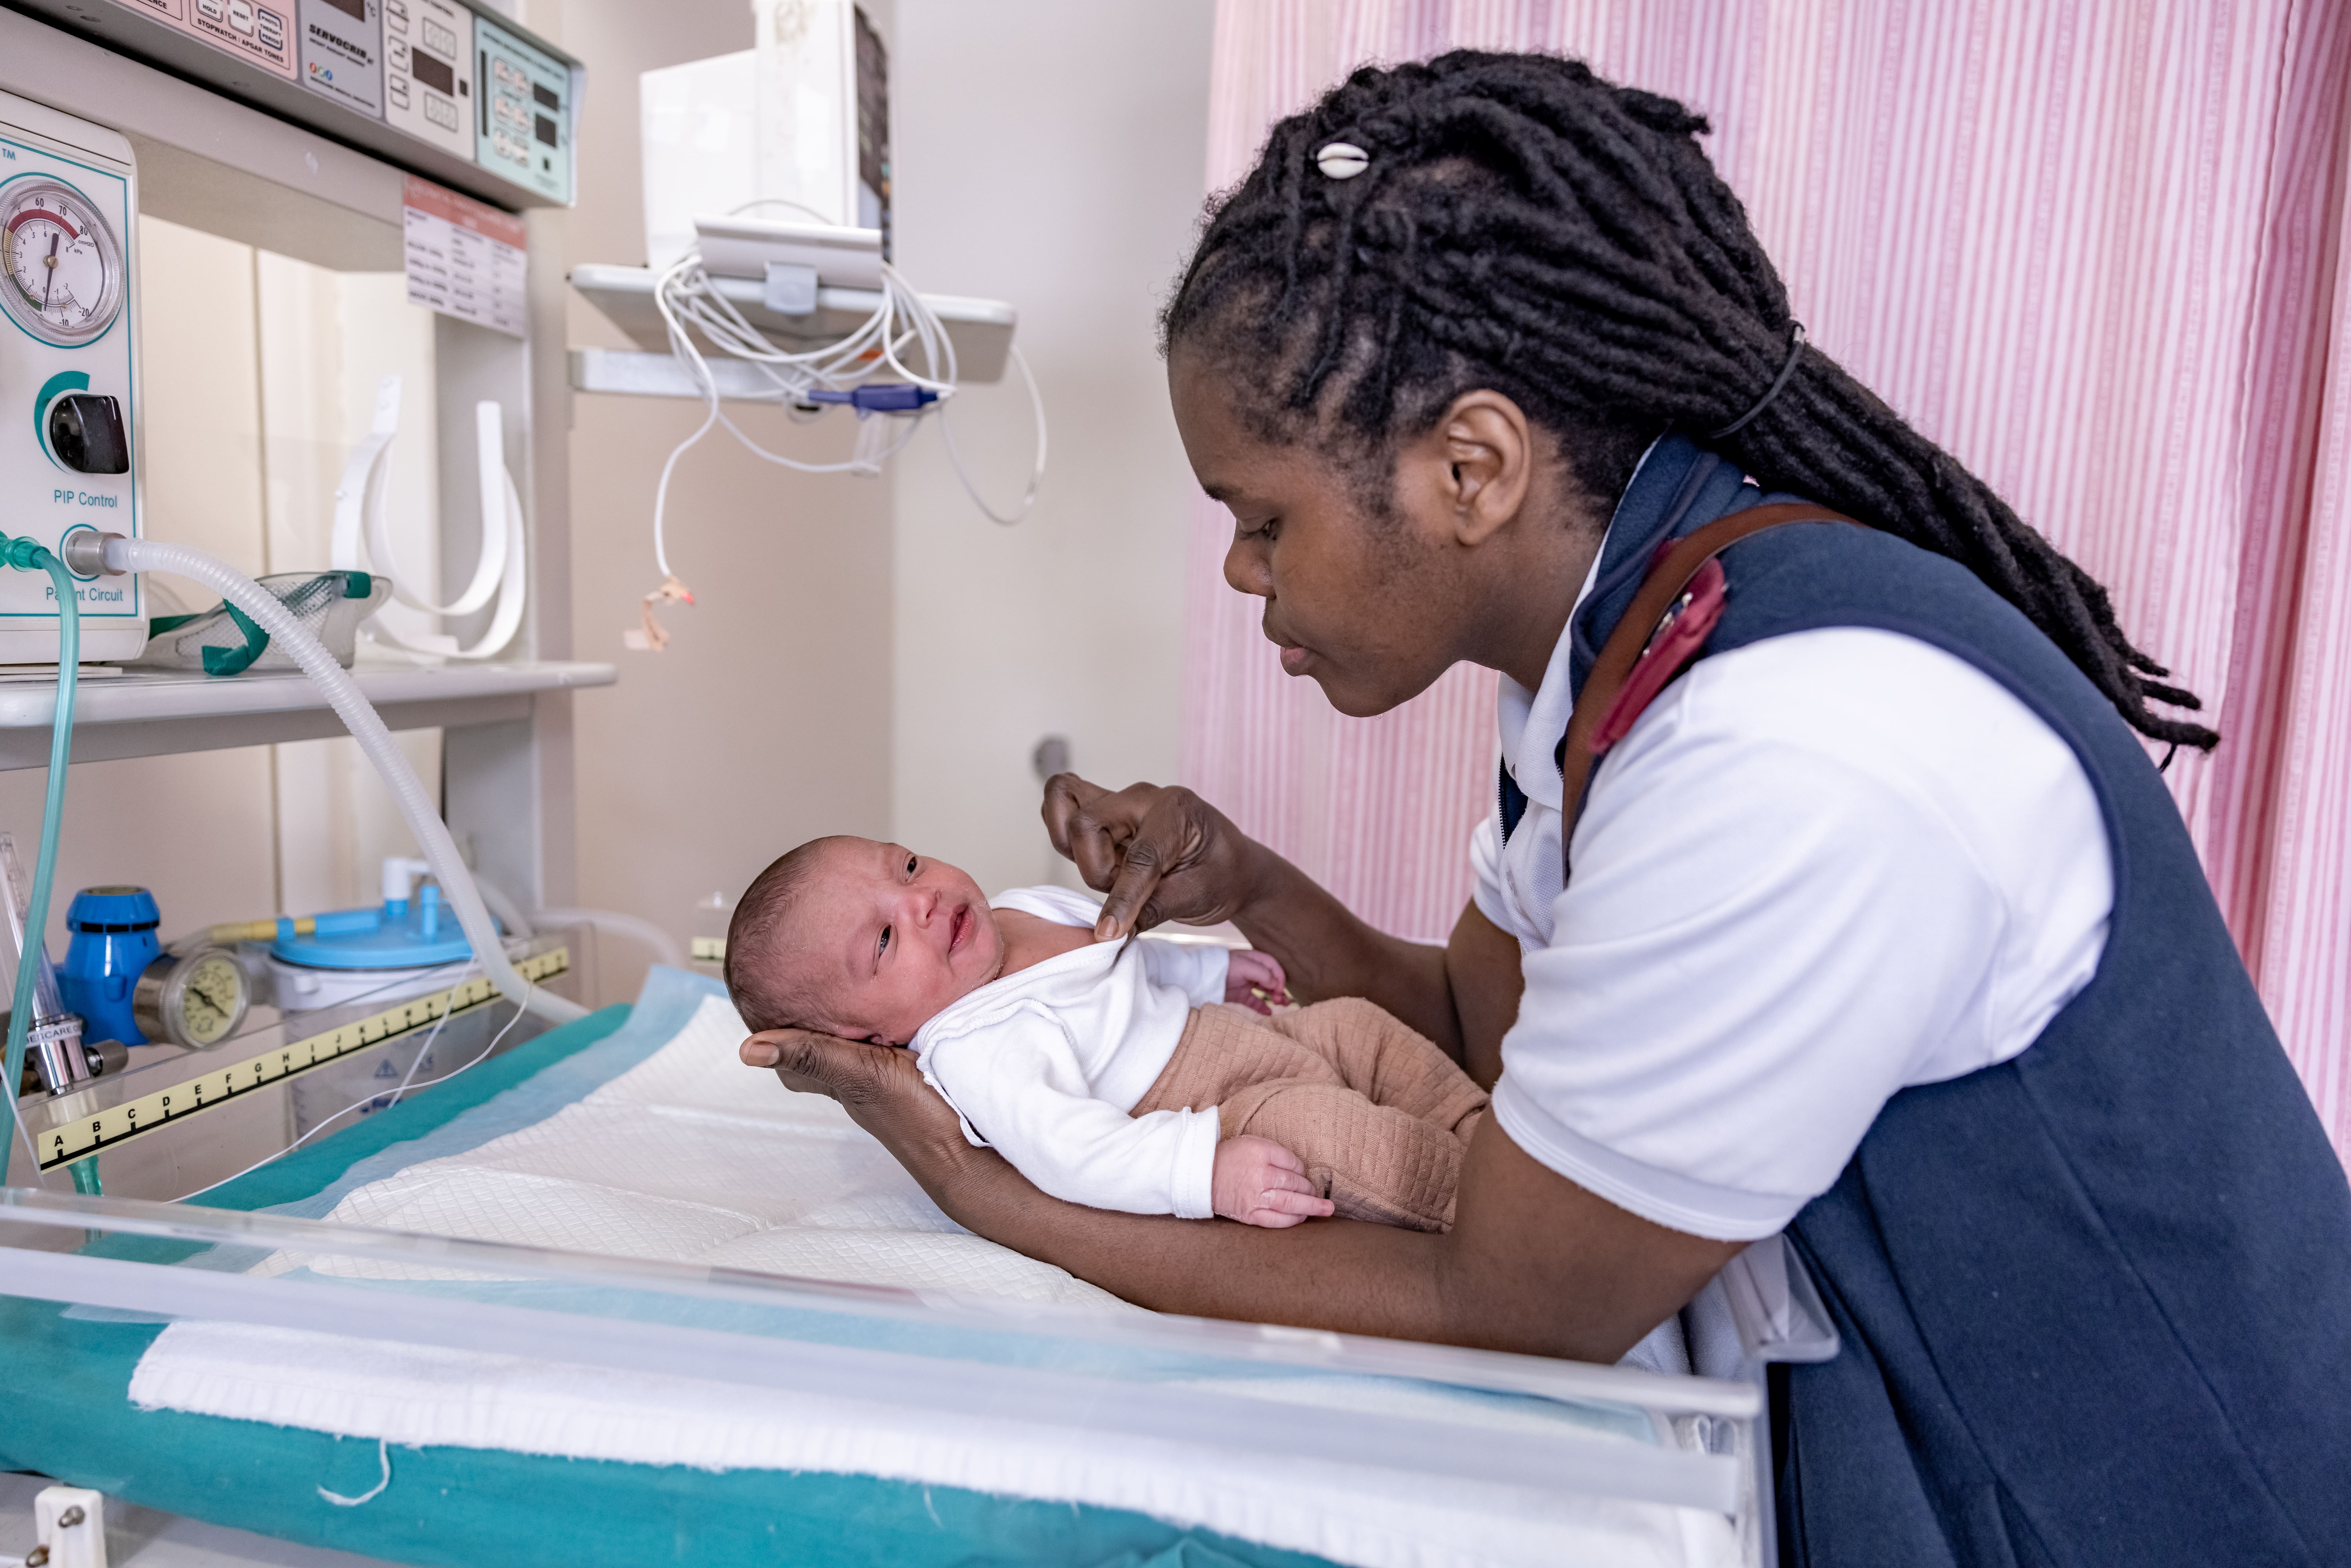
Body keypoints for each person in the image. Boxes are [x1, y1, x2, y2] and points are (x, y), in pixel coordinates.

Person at [739, 52, 2351, 1566]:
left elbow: (1498, 1294)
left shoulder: (1784, 750)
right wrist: (1253, 878)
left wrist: (979, 1187)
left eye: (1261, 516)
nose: (1241, 571)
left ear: (1473, 466)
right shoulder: (1619, 650)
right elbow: (1485, 1028)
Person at [725, 835, 1488, 1232]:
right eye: (884, 941)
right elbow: (1071, 1154)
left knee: (1355, 1027)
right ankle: (1478, 1208)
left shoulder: (1025, 907)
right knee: (1329, 1132)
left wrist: (1205, 974)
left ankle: (1482, 1129)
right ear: (872, 1041)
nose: (920, 902)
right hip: (1210, 1109)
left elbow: (1123, 959)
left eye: (909, 867)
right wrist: (1203, 1175)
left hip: (1230, 1031)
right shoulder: (977, 1045)